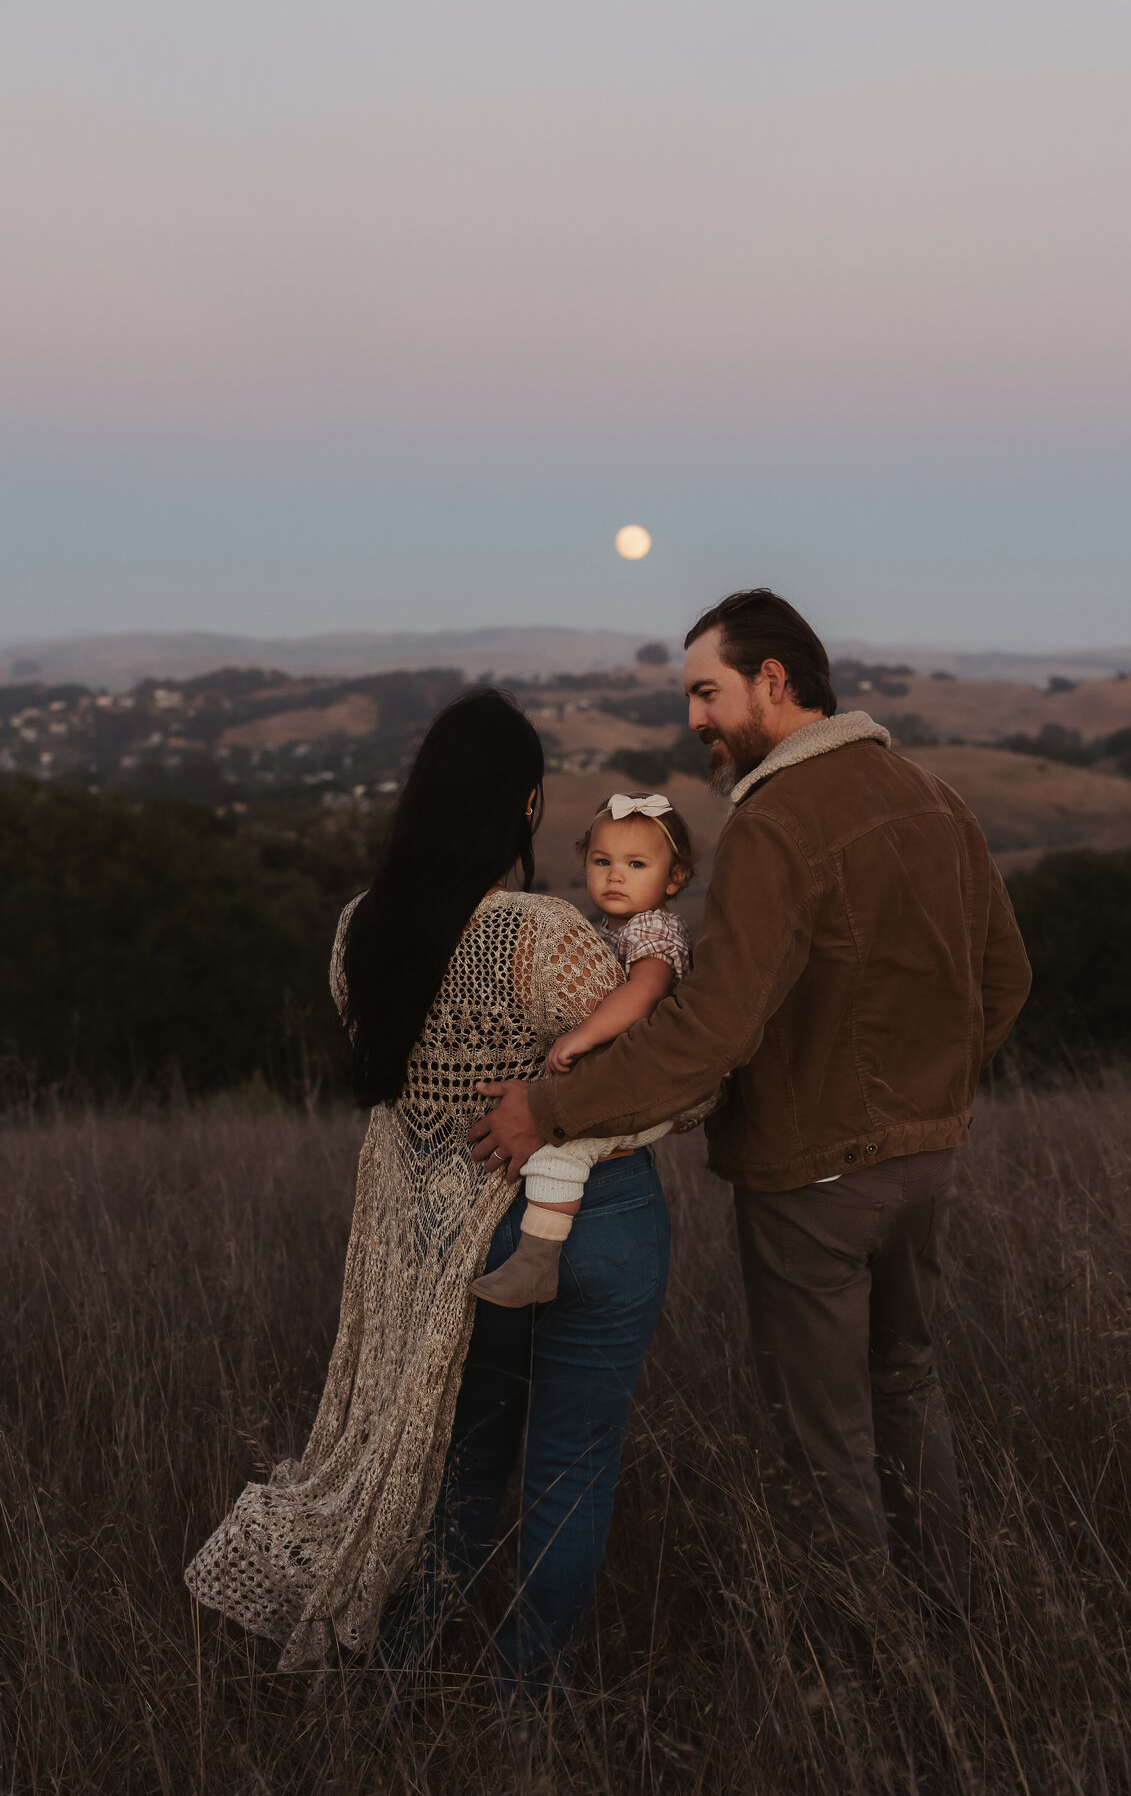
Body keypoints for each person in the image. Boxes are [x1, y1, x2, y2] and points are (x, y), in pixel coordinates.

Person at [469, 590, 1032, 1609]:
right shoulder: (934, 796)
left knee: (827, 1438)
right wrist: (924, 1097)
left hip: (813, 1179)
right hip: (926, 1160)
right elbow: (1006, 980)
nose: (694, 720)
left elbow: (711, 1030)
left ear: (776, 681)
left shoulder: (776, 823)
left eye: (706, 693)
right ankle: (951, 1629)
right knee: (905, 1384)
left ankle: (869, 1670)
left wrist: (548, 1113)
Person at [184, 690, 679, 1688]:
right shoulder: (546, 932)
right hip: (601, 1221)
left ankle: (406, 1673)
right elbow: (668, 1085)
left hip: (451, 1246)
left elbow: (404, 1094)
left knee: (460, 1469)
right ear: (529, 807)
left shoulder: (358, 932)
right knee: (570, 1473)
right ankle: (520, 1703)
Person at [470, 789, 696, 1308]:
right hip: (622, 1077)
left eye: (636, 864)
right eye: (602, 861)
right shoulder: (610, 929)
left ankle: (536, 1263)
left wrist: (584, 1033)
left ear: (674, 879)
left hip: (649, 1082)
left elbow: (644, 994)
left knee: (561, 1148)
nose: (615, 875)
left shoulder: (654, 929)